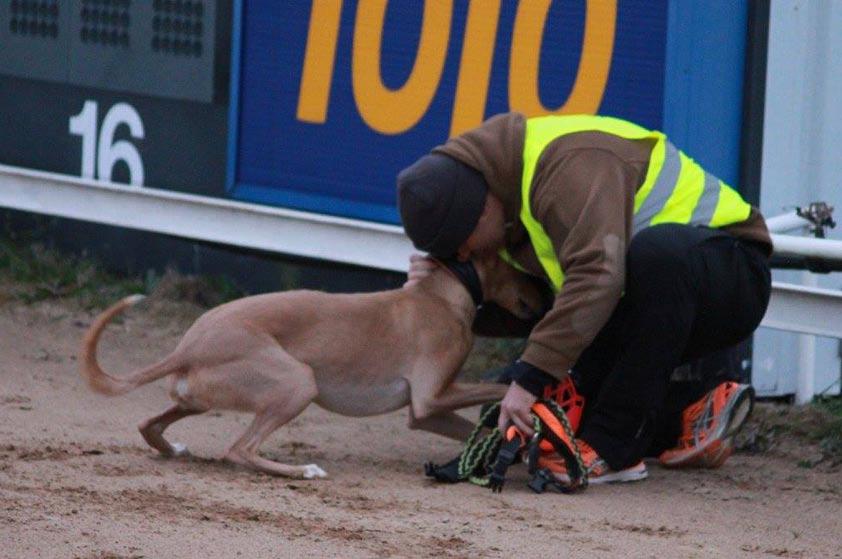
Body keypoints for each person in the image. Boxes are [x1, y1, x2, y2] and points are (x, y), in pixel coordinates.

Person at [397, 113, 772, 484]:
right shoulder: (505, 210)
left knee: (656, 257)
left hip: (729, 272)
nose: (463, 258)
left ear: (481, 211)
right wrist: (443, 296)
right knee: (517, 413)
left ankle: (613, 450)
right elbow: (542, 307)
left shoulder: (568, 168)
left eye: (460, 249)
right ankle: (694, 409)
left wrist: (530, 378)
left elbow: (598, 276)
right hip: (635, 300)